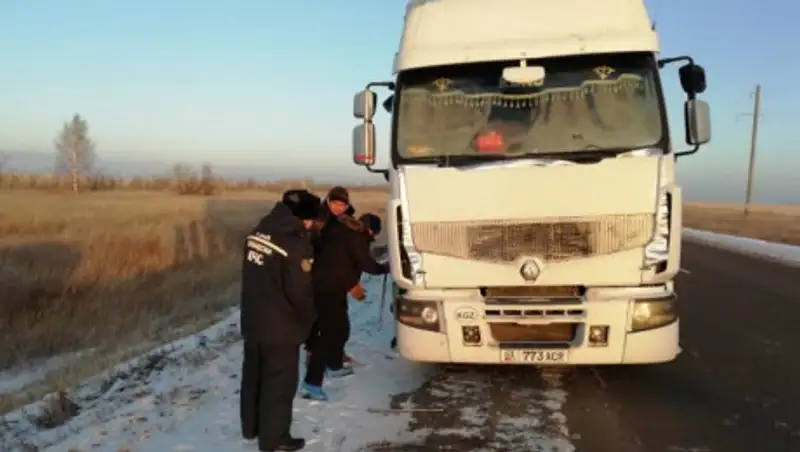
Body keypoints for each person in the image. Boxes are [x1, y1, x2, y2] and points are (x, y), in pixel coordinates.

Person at [240, 189, 321, 452]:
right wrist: (310, 322)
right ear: (303, 217)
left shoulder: (259, 230)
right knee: (279, 385)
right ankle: (274, 440)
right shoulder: (295, 242)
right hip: (281, 328)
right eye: (309, 220)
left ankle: (251, 428)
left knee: (254, 377)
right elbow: (300, 292)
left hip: (253, 321)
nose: (309, 226)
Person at [300, 211, 389, 401]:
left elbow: (342, 263)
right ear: (371, 231)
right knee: (331, 332)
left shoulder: (343, 233)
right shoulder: (357, 237)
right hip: (327, 289)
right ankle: (312, 383)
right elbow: (362, 263)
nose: (372, 238)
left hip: (330, 287)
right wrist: (385, 268)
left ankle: (333, 365)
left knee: (339, 329)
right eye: (373, 234)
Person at [304, 186, 356, 362]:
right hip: (318, 276)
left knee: (338, 318)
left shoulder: (348, 221)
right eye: (334, 203)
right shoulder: (319, 219)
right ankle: (316, 352)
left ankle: (334, 351)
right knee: (319, 317)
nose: (338, 207)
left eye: (342, 204)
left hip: (338, 279)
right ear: (328, 201)